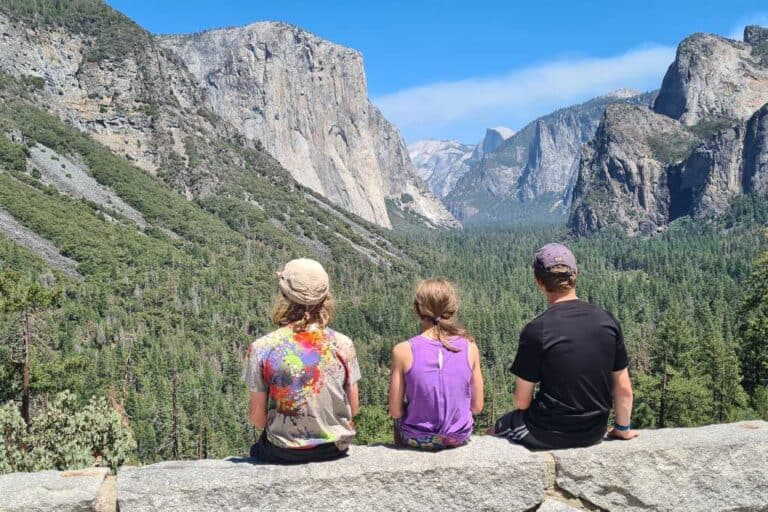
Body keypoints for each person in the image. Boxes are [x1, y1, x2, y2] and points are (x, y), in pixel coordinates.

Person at [490, 243, 638, 450]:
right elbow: (623, 388)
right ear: (576, 275)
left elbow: (521, 402)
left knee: (496, 430)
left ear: (539, 282)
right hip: (595, 431)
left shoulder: (536, 330)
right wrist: (622, 428)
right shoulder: (608, 321)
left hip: (547, 433)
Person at [244, 258, 360, 463]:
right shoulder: (343, 344)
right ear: (326, 298)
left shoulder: (261, 348)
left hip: (282, 450)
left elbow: (257, 419)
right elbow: (354, 407)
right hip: (333, 449)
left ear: (283, 297)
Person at [388, 278, 484, 450]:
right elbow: (477, 407)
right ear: (453, 309)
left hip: (418, 439)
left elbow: (395, 411)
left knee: (400, 422)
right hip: (458, 438)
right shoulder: (470, 348)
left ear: (418, 310)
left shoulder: (403, 351)